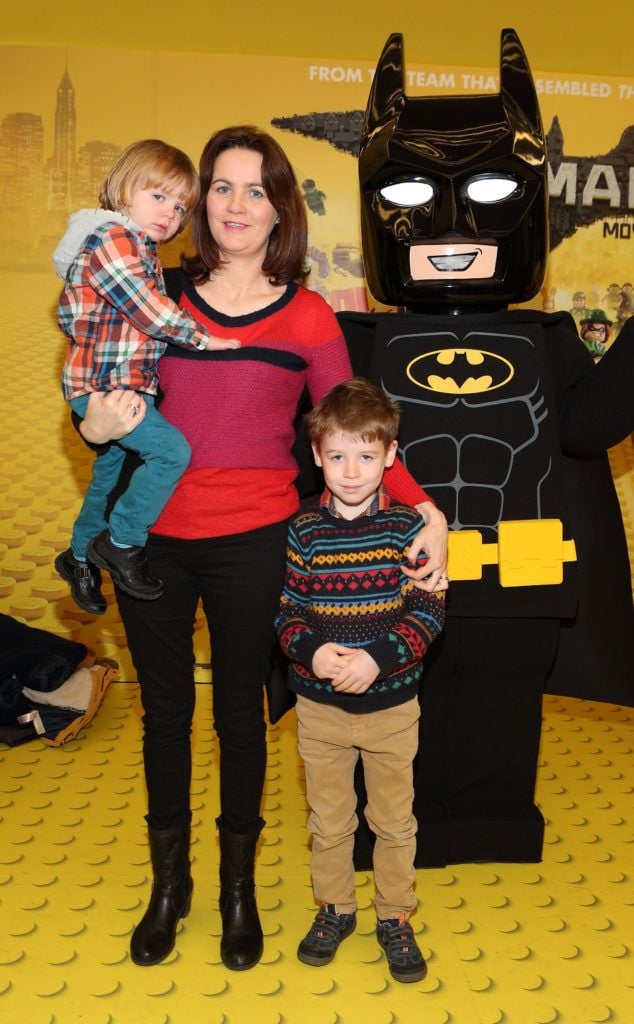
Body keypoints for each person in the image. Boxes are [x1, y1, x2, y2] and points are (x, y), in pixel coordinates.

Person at [78, 125, 448, 972]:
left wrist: (426, 511)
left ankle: (237, 889)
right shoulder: (151, 294)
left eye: (257, 189)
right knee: (166, 719)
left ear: (282, 209)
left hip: (256, 543)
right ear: (200, 202)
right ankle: (169, 888)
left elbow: (359, 430)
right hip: (150, 545)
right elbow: (101, 387)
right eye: (221, 187)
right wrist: (90, 420)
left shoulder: (311, 315)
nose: (237, 204)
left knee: (242, 718)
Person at [275, 378, 446, 983]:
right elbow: (289, 610)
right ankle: (335, 908)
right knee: (329, 819)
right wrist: (314, 652)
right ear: (317, 454)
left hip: (392, 706)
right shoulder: (303, 531)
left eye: (367, 456)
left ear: (391, 457)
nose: (351, 471)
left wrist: (378, 657)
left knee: (394, 820)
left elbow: (427, 611)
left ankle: (395, 915)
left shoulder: (409, 530)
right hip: (318, 706)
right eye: (338, 455)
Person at [52, 139, 239, 614]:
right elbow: (146, 308)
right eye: (159, 197)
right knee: (173, 451)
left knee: (107, 478)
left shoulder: (139, 246)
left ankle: (78, 557)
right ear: (123, 188)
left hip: (120, 387)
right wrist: (202, 338)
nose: (170, 214)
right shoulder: (113, 239)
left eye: (179, 207)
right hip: (104, 388)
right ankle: (123, 540)